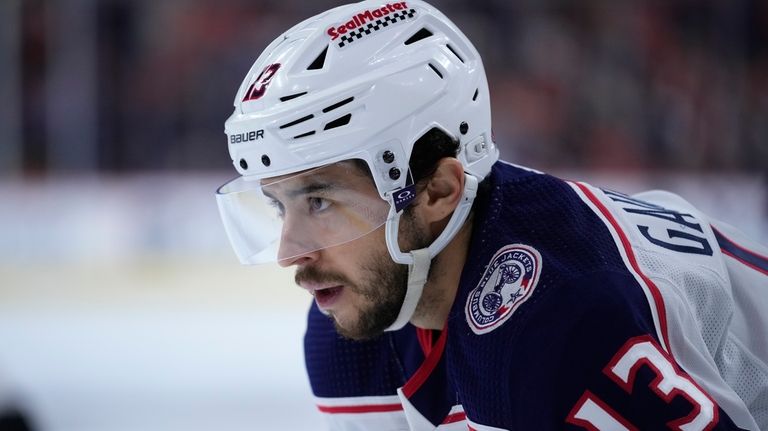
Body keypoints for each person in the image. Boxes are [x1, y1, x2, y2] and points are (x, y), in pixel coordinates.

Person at [215, 1, 768, 429]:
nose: (290, 252)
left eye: (319, 201)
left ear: (438, 191)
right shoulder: (358, 320)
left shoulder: (560, 324)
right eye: (277, 205)